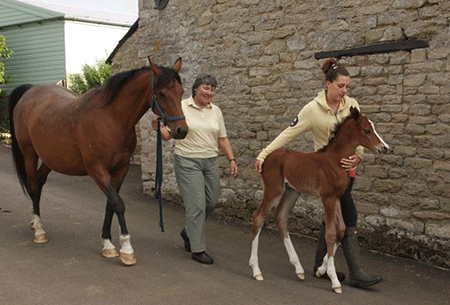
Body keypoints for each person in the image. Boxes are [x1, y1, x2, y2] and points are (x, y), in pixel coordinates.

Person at [254, 58, 382, 287]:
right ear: (327, 84)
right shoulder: (312, 109)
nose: (345, 91)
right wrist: (265, 153)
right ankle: (356, 272)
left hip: (347, 171)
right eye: (341, 86)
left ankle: (320, 267)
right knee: (347, 217)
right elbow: (288, 133)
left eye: (347, 86)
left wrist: (359, 156)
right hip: (324, 170)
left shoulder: (351, 105)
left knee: (332, 213)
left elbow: (360, 136)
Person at [152, 74, 239, 265]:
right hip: (187, 160)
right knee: (197, 205)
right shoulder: (181, 106)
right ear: (195, 89)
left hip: (210, 161)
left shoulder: (215, 111)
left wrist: (231, 159)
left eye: (212, 89)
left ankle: (188, 231)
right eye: (206, 88)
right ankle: (197, 249)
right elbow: (169, 134)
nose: (209, 92)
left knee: (212, 200)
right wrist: (159, 129)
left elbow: (222, 138)